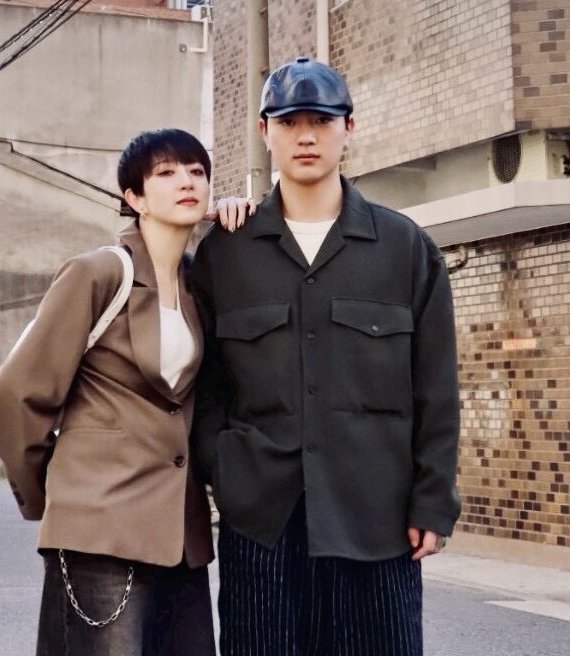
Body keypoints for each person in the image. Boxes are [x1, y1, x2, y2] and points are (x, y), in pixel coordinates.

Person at [190, 57, 461, 656]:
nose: (305, 136)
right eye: (289, 122)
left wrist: (433, 500)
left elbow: (436, 388)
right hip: (262, 524)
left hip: (377, 517)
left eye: (321, 120)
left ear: (348, 128)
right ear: (265, 132)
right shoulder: (226, 253)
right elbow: (204, 383)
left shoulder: (403, 247)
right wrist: (226, 469)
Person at [0, 128, 233, 656]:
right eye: (166, 173)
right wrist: (55, 496)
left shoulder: (198, 284)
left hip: (180, 538)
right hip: (99, 532)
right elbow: (15, 392)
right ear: (134, 197)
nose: (187, 182)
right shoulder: (98, 273)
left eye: (197, 171)